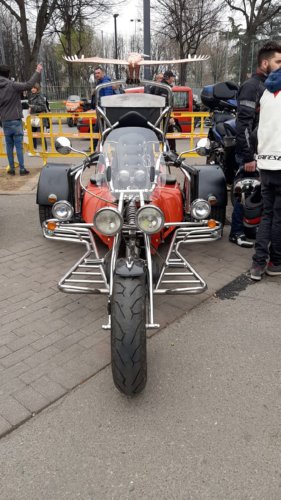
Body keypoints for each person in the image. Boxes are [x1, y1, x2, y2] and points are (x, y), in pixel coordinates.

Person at [229, 42, 281, 247]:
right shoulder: (252, 86)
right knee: (246, 190)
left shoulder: (269, 86)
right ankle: (236, 231)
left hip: (264, 150)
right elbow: (243, 123)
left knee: (260, 196)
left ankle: (257, 230)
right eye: (278, 61)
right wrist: (248, 156)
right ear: (265, 62)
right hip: (250, 151)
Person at [249, 64, 281, 280]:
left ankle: (257, 264)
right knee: (278, 217)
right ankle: (276, 261)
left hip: (266, 163)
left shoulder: (266, 93)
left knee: (268, 214)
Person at [0, 62, 42, 175]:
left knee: (9, 145)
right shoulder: (12, 85)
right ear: (8, 74)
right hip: (15, 118)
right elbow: (28, 85)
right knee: (19, 145)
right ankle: (22, 168)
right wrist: (37, 71)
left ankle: (12, 168)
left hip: (4, 120)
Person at [91, 66, 113, 150]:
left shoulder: (106, 83)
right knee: (100, 131)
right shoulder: (100, 82)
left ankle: (96, 149)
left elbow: (107, 98)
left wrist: (103, 110)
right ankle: (96, 148)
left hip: (104, 112)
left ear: (102, 73)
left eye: (98, 73)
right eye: (95, 73)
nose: (96, 75)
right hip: (102, 111)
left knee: (100, 130)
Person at [28, 82, 49, 155]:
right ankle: (34, 150)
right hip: (33, 117)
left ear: (37, 89)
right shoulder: (31, 96)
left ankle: (45, 150)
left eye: (34, 88)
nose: (32, 89)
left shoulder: (40, 96)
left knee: (41, 135)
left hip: (40, 118)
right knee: (33, 134)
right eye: (32, 88)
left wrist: (32, 107)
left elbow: (43, 107)